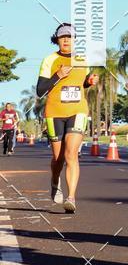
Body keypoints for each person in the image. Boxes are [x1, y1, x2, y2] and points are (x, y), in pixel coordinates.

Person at [36, 23, 98, 213]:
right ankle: (55, 181)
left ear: (74, 40)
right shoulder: (49, 60)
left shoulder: (82, 60)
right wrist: (57, 75)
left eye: (70, 37)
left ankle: (71, 198)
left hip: (78, 111)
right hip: (54, 112)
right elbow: (40, 90)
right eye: (63, 37)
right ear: (57, 39)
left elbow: (82, 83)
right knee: (58, 158)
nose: (66, 40)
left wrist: (89, 81)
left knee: (71, 153)